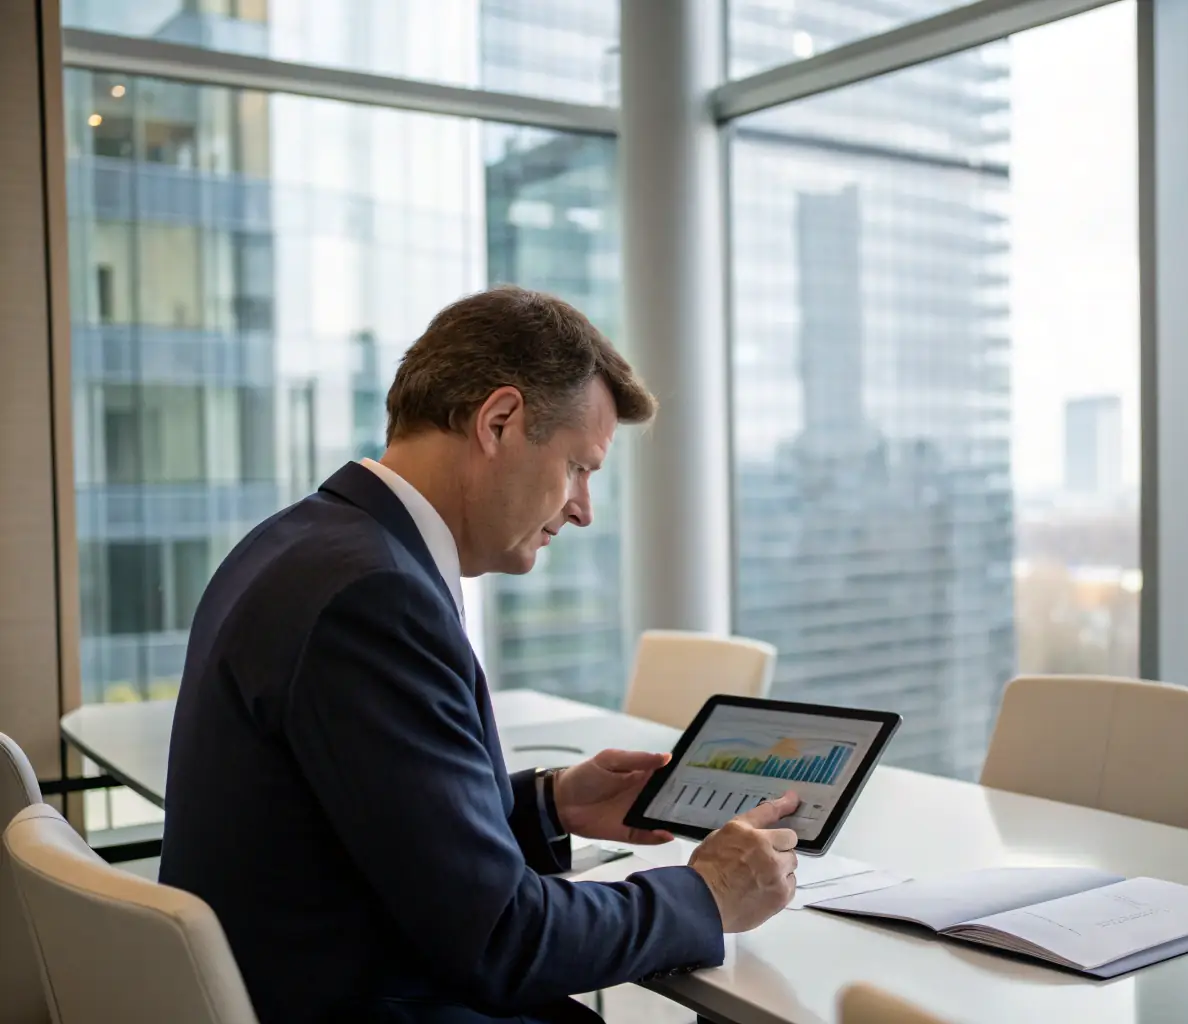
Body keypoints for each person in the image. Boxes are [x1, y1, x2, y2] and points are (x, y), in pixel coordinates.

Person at [158, 286, 800, 1024]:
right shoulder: (374, 596)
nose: (584, 510)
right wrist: (707, 894)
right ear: (498, 421)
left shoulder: (298, 542)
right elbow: (503, 940)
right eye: (580, 468)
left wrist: (547, 805)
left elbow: (361, 827)